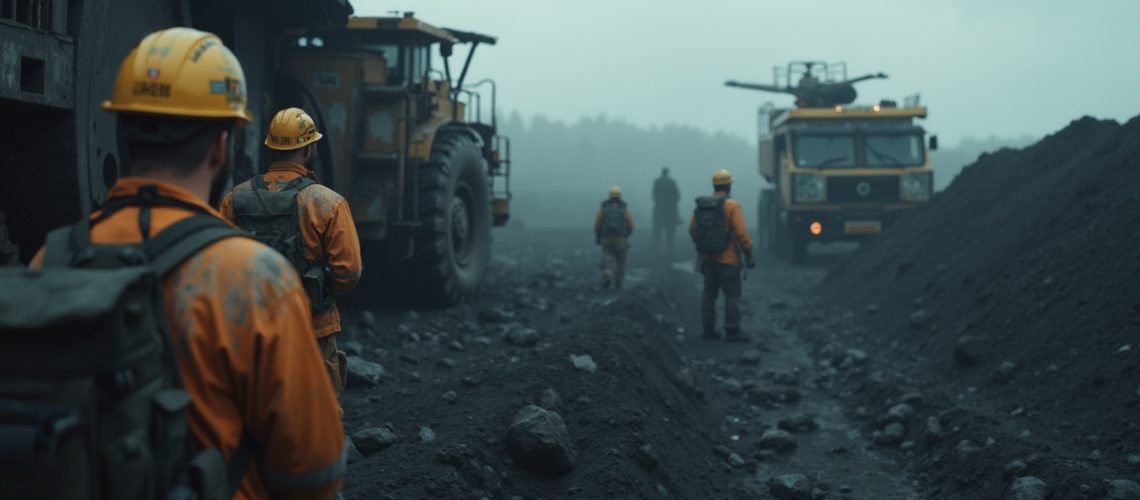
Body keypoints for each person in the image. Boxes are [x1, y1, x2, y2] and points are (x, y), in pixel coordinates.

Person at [31, 28, 345, 499]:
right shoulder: (256, 279)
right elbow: (314, 471)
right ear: (222, 144)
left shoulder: (52, 259)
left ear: (123, 128)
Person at [220, 107, 362, 401]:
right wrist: (317, 293)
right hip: (312, 327)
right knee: (318, 416)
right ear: (309, 148)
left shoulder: (235, 198)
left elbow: (217, 263)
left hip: (251, 327)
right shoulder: (326, 202)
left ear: (272, 147)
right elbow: (348, 271)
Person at [689, 169, 755, 342]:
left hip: (708, 259)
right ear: (728, 185)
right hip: (729, 260)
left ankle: (708, 329)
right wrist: (748, 253)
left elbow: (692, 229)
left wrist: (703, 248)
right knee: (732, 295)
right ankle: (732, 331)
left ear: (714, 185)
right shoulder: (732, 205)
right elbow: (741, 234)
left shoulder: (703, 205)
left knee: (709, 293)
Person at [594, 186, 634, 289]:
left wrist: (598, 236)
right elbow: (631, 224)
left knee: (607, 258)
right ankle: (618, 282)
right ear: (620, 195)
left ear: (610, 195)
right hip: (621, 238)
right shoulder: (623, 208)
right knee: (621, 261)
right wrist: (627, 235)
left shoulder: (604, 208)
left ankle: (608, 275)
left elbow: (597, 224)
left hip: (607, 237)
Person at [652, 166, 681, 259]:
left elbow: (653, 195)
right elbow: (677, 196)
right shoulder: (672, 182)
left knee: (657, 232)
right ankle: (670, 251)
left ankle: (657, 251)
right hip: (670, 211)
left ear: (662, 172)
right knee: (670, 233)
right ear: (668, 172)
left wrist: (659, 201)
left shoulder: (657, 181)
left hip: (659, 210)